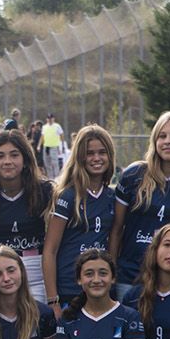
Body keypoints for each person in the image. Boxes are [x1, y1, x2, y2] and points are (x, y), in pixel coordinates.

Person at [109, 110, 170, 296]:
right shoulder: (134, 175)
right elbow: (116, 229)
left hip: (169, 284)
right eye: (162, 136)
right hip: (129, 277)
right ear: (154, 141)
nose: (168, 141)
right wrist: (111, 273)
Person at [0, 130, 53, 303]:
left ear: (25, 160)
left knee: (36, 327)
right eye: (0, 156)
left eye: (14, 155)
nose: (7, 161)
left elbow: (56, 241)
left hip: (36, 271)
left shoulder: (45, 191)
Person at [43, 124, 117, 318]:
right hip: (69, 289)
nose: (96, 158)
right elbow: (50, 250)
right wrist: (53, 301)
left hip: (100, 290)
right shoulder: (68, 196)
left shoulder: (112, 197)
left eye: (102, 152)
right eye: (89, 153)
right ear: (79, 157)